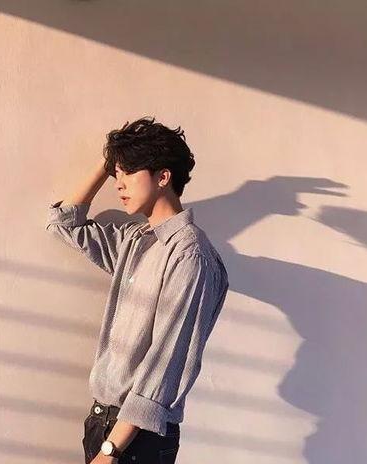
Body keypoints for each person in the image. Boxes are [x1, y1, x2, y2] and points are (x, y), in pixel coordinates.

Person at [45, 116, 229, 464]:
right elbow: (62, 224)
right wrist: (108, 162)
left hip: (134, 440)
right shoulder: (135, 241)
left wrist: (112, 449)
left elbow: (165, 364)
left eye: (129, 172)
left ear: (163, 177)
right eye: (117, 174)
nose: (119, 184)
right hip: (102, 422)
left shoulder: (191, 256)